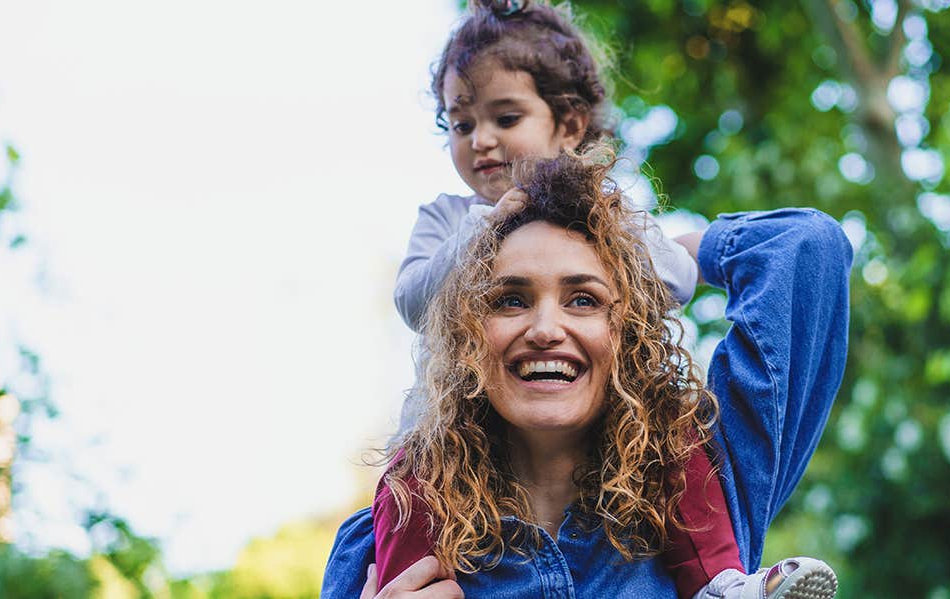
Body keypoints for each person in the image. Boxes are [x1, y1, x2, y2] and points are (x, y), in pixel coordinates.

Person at [373, 0, 802, 596]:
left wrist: (632, 246)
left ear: (569, 126)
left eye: (506, 116)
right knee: (404, 493)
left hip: (612, 443)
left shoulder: (608, 215)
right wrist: (482, 229)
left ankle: (722, 585)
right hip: (451, 439)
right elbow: (414, 302)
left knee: (676, 443)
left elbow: (672, 278)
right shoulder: (449, 218)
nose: (483, 141)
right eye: (463, 124)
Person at [321, 149, 851, 598]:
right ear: (467, 335)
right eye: (509, 300)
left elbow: (807, 245)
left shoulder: (709, 479)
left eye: (583, 299)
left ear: (627, 332)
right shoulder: (391, 532)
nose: (546, 328)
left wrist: (674, 255)